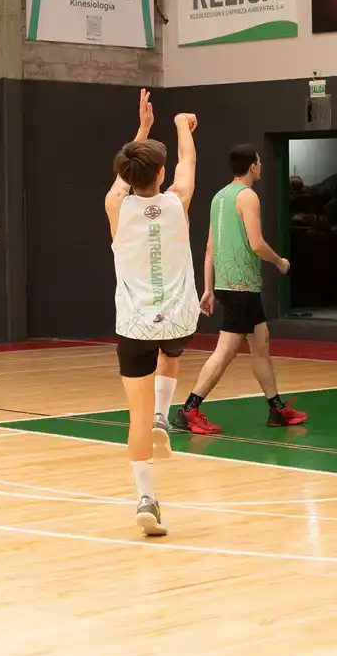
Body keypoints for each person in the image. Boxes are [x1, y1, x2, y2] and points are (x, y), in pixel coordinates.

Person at [106, 89, 200, 537]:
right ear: (160, 174)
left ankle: (146, 498)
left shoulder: (116, 209)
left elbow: (125, 179)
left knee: (135, 421)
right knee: (174, 351)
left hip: (134, 326)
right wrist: (182, 124)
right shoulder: (177, 201)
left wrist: (142, 130)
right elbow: (188, 165)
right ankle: (166, 412)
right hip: (179, 318)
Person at [171, 144, 308, 433]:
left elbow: (209, 247)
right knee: (226, 351)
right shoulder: (248, 197)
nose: (260, 166)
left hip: (230, 287)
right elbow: (257, 244)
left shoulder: (219, 197)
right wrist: (281, 262)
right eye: (259, 162)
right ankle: (189, 409)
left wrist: (208, 288)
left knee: (260, 345)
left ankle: (276, 409)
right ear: (253, 167)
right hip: (241, 289)